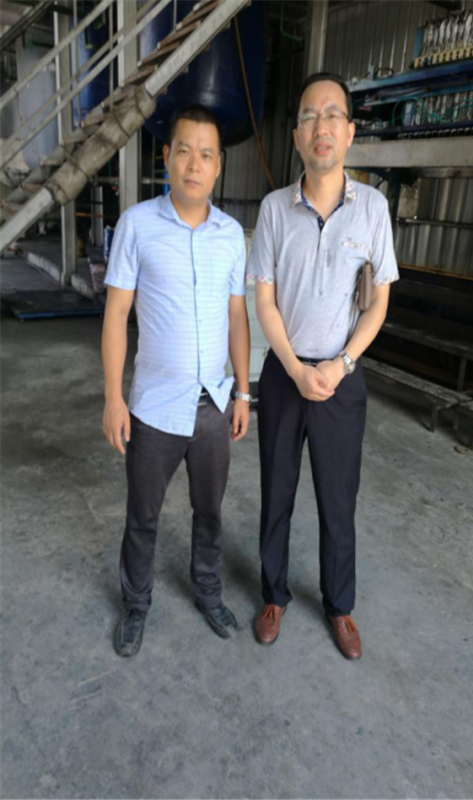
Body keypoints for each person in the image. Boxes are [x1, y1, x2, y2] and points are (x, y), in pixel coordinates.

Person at [247, 73, 399, 659]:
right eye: (309, 116)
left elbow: (378, 301)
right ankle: (273, 595)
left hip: (342, 380)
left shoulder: (373, 209)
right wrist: (291, 366)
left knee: (339, 498)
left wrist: (342, 364)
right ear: (296, 135)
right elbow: (264, 299)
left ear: (350, 132)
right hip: (283, 376)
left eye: (332, 114)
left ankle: (339, 605)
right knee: (276, 491)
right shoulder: (274, 209)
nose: (321, 126)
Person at [102, 105, 251, 657]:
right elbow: (116, 314)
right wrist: (113, 397)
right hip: (153, 408)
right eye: (184, 151)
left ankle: (208, 591)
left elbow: (237, 317)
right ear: (166, 157)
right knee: (143, 515)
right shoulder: (137, 225)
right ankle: (135, 604)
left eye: (206, 154)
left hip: (213, 404)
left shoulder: (231, 235)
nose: (194, 164)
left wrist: (243, 391)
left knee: (209, 511)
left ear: (218, 166)